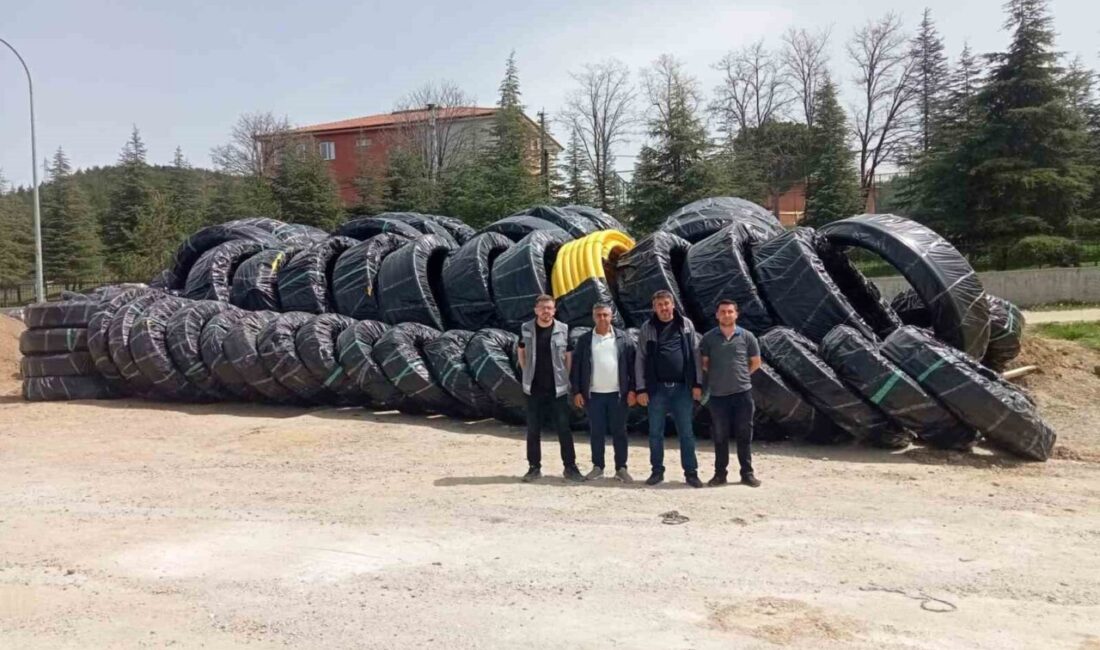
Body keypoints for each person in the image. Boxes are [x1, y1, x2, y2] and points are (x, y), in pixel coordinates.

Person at [634, 290, 704, 488]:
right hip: (656, 390)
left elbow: (696, 355)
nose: (664, 308)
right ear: (654, 307)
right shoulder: (647, 328)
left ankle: (691, 473)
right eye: (659, 305)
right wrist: (641, 388)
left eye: (666, 303)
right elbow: (640, 358)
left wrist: (697, 384)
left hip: (682, 389)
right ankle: (657, 471)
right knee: (655, 433)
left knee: (686, 433)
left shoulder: (686, 324)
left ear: (673, 304)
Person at [518, 294, 584, 483]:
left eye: (549, 308)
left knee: (563, 428)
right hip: (534, 389)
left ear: (554, 310)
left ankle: (570, 467)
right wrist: (526, 371)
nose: (546, 311)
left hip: (557, 389)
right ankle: (534, 467)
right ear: (536, 310)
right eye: (542, 308)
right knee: (533, 429)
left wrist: (564, 376)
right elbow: (521, 350)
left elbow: (568, 355)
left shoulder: (563, 329)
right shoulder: (526, 328)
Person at [570, 303, 637, 482]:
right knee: (596, 432)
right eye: (598, 315)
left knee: (619, 432)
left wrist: (632, 390)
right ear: (593, 317)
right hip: (594, 395)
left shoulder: (623, 338)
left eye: (605, 315)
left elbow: (633, 367)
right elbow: (576, 367)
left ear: (611, 316)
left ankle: (621, 468)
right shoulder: (585, 340)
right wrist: (577, 391)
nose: (602, 318)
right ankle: (598, 467)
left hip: (618, 395)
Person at [699, 300, 763, 488]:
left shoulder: (747, 336)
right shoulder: (709, 338)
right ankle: (720, 474)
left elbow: (756, 362)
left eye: (730, 311)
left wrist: (741, 376)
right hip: (718, 396)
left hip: (742, 394)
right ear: (717, 315)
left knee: (744, 434)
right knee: (720, 436)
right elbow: (704, 364)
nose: (726, 315)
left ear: (736, 314)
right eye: (723, 312)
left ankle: (747, 474)